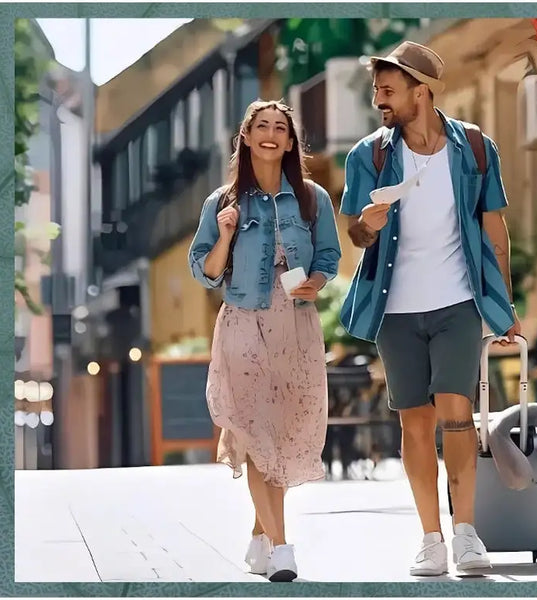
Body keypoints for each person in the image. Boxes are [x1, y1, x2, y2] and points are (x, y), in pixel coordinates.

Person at [338, 41, 522, 577]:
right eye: (377, 90)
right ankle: (431, 538)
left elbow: (494, 229)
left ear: (422, 90)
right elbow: (355, 232)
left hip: (457, 303)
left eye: (388, 90)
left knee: (457, 415)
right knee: (415, 423)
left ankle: (466, 533)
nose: (380, 100)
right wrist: (367, 227)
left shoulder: (475, 148)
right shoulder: (368, 156)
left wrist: (503, 304)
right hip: (395, 310)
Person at [188, 100, 341, 582]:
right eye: (262, 127)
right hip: (243, 319)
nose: (272, 134)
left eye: (281, 128)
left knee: (285, 428)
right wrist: (226, 235)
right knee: (256, 430)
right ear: (247, 137)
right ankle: (280, 547)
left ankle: (259, 537)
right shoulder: (222, 202)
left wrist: (317, 280)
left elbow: (331, 257)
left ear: (291, 142)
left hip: (295, 322)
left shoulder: (312, 197)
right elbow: (205, 272)